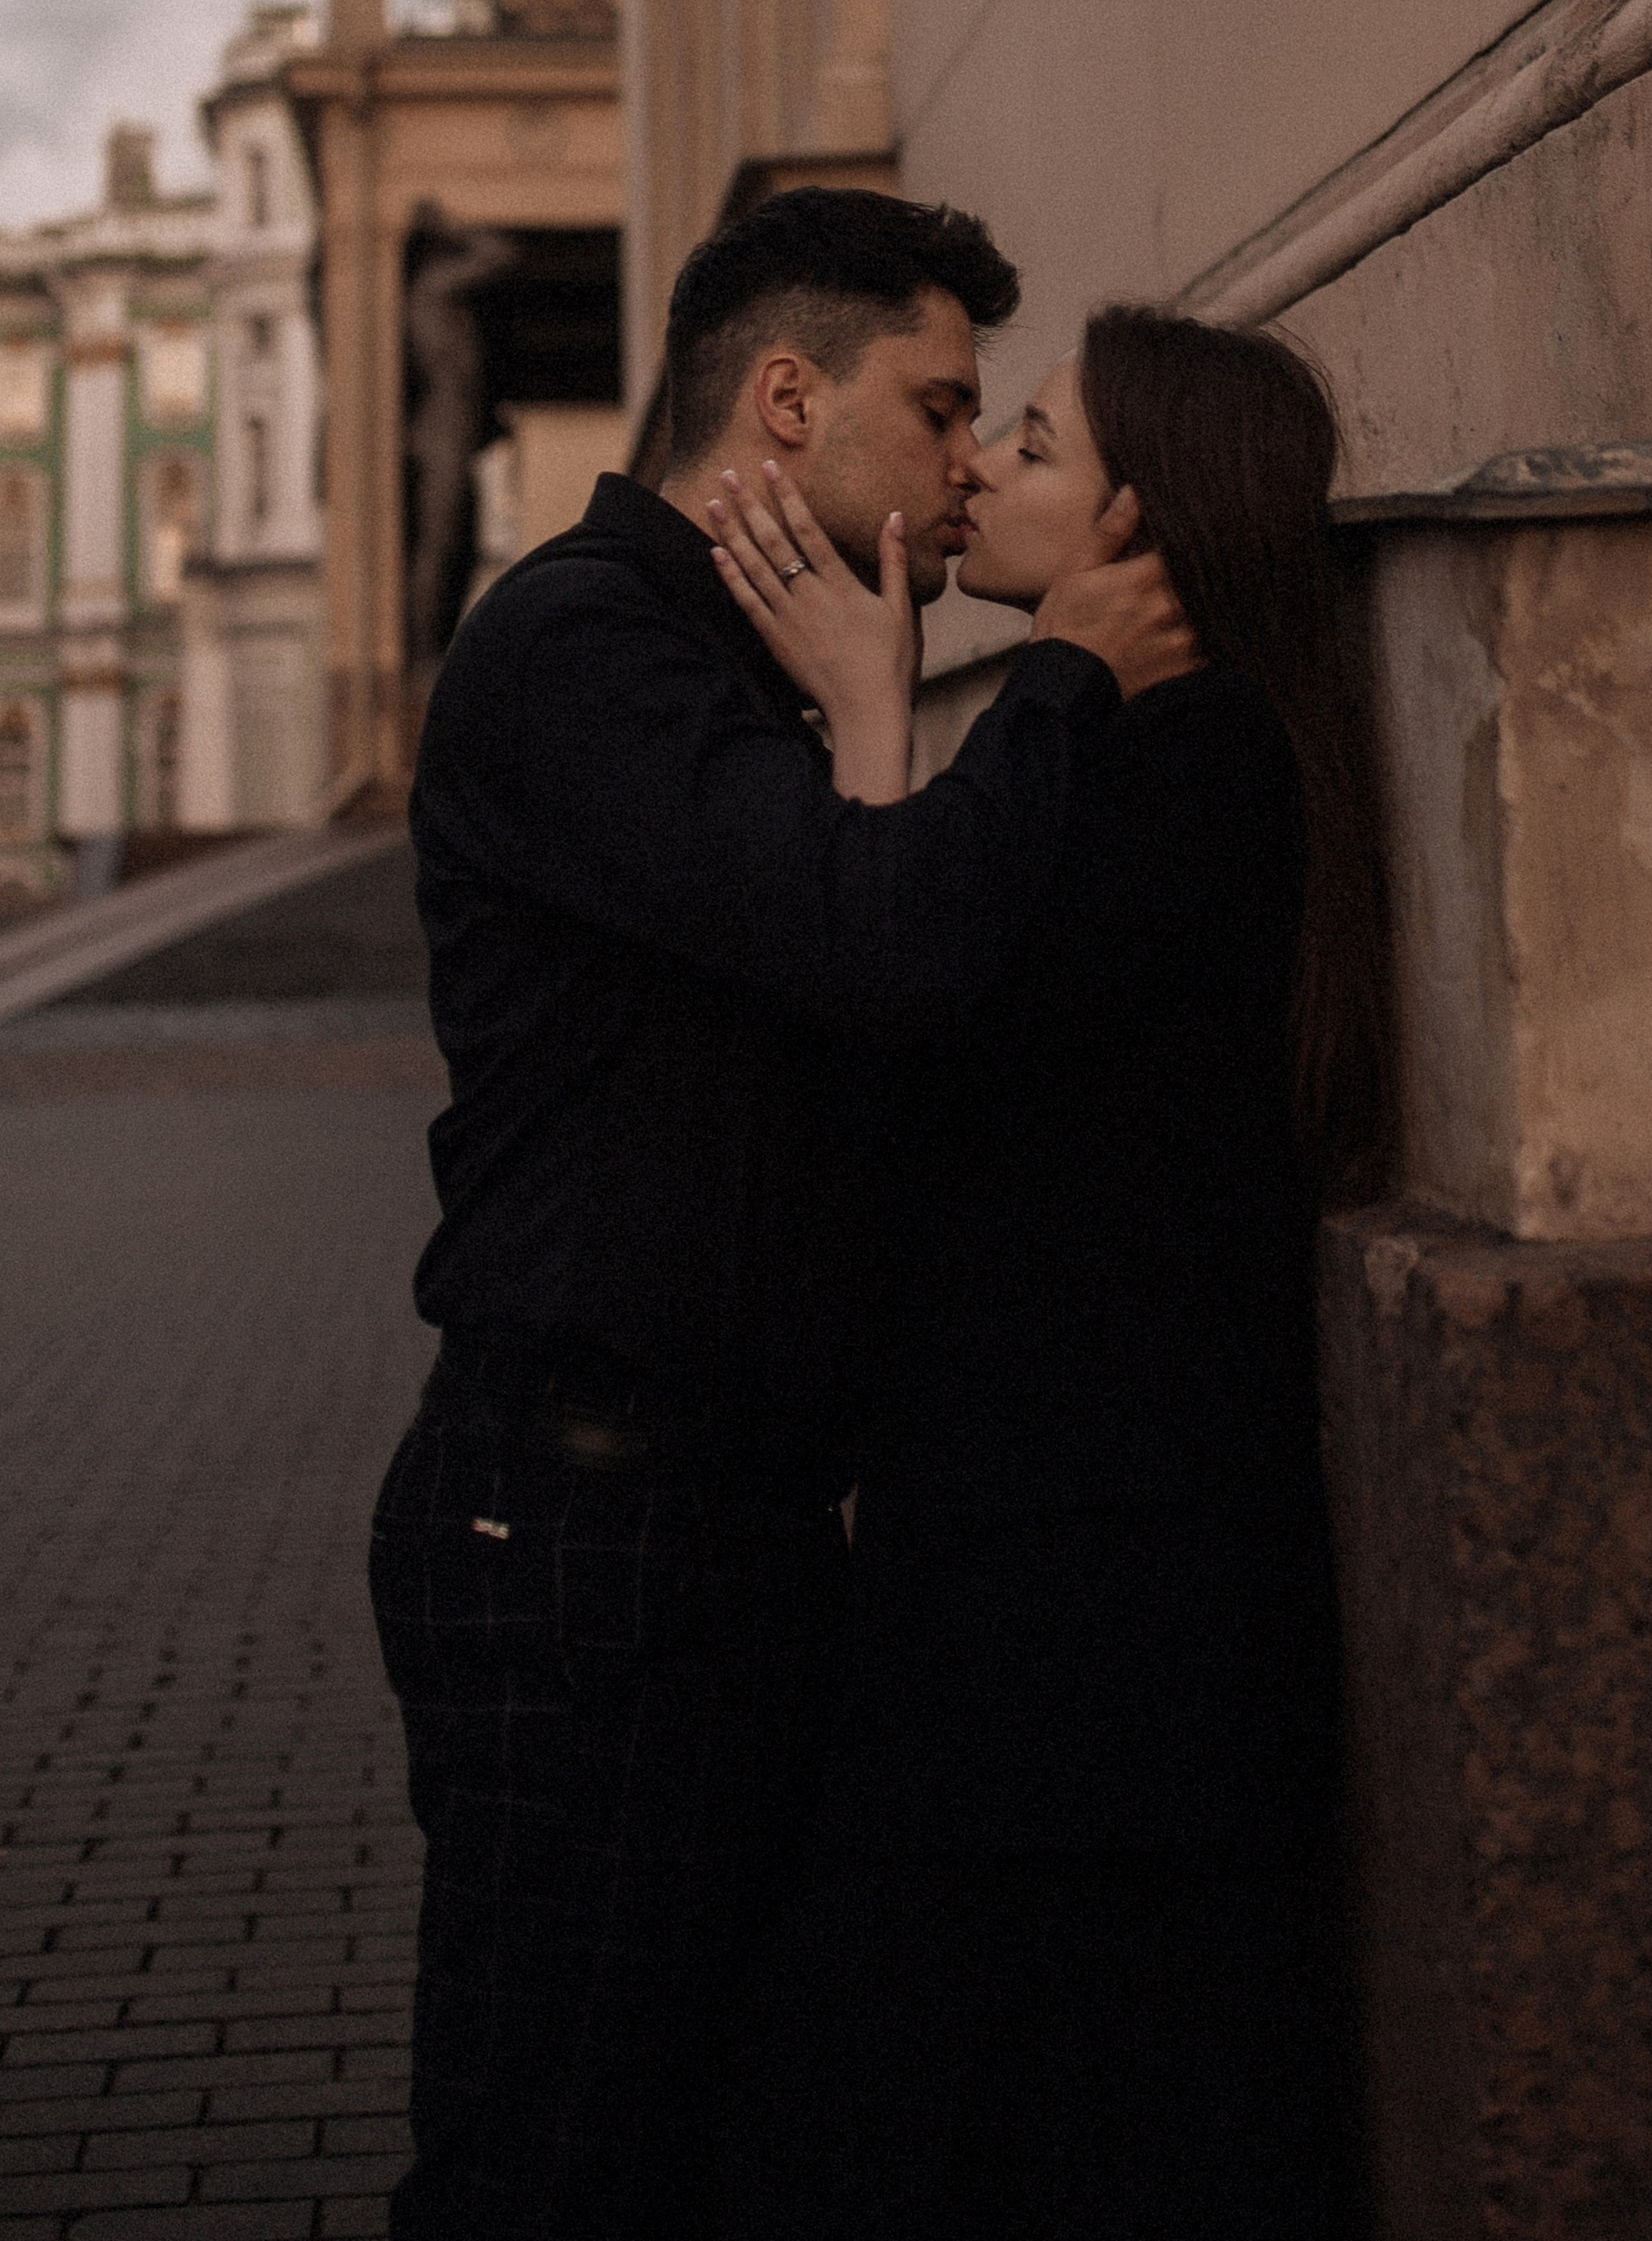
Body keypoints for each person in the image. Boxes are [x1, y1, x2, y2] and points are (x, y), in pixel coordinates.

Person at [369, 192, 1196, 2241]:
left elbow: (871, 1035)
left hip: (710, 1539)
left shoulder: (733, 652)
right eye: (937, 409)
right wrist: (1068, 678)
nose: (958, 461)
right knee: (548, 2159)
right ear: (787, 394)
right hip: (583, 1544)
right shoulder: (576, 647)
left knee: (710, 2142)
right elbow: (881, 942)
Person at [707, 304, 1382, 2241]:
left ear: (1129, 526)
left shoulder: (1184, 770)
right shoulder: (1145, 756)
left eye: (1029, 438)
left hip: (1096, 1614)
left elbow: (886, 1058)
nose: (979, 463)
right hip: (1053, 1581)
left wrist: (863, 712)